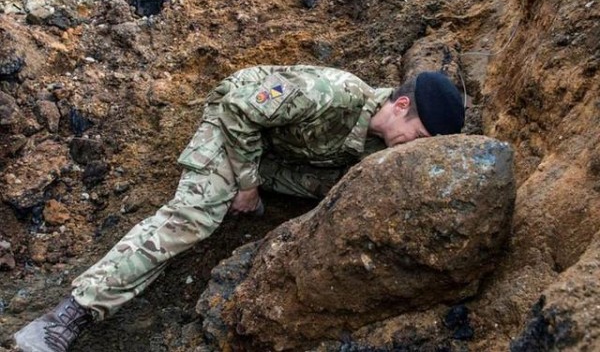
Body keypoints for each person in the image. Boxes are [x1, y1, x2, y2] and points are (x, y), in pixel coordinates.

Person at [13, 65, 465, 352]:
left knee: (344, 190)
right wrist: (246, 185)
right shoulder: (329, 92)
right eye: (420, 137)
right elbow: (238, 110)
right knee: (196, 217)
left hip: (280, 151)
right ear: (400, 106)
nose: (414, 151)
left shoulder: (377, 148)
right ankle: (66, 317)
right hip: (233, 124)